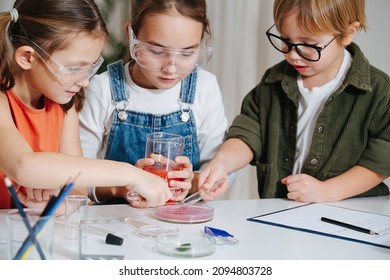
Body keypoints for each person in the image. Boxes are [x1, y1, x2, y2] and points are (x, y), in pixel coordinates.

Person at [198, 0, 390, 202]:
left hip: (351, 218)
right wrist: (222, 163)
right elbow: (248, 133)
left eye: (308, 45)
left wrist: (327, 191)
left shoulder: (378, 91)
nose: (293, 55)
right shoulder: (273, 82)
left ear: (348, 33)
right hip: (282, 214)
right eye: (286, 40)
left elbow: (383, 159)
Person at [0, 0, 173, 210]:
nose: (85, 82)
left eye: (90, 67)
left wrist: (48, 205)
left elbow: (78, 193)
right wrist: (130, 174)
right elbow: (24, 167)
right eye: (73, 69)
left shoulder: (64, 103)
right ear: (27, 57)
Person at [79, 0, 232, 204]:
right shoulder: (102, 88)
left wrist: (193, 182)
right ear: (131, 34)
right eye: (157, 51)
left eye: (187, 53)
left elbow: (217, 169)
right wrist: (125, 187)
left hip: (180, 224)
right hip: (116, 224)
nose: (170, 68)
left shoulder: (205, 87)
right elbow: (79, 178)